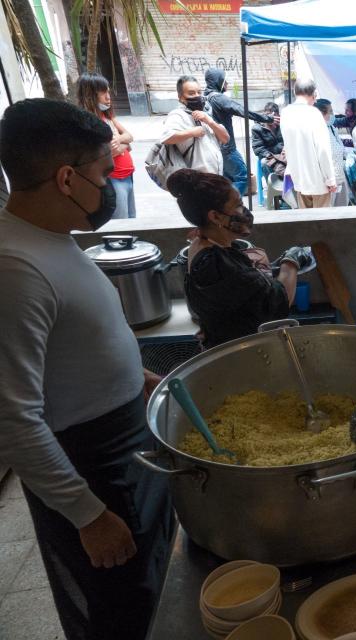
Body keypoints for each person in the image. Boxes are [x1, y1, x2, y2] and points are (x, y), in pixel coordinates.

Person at [0, 98, 173, 639]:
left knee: (153, 585)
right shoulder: (15, 269)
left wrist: (131, 378)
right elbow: (14, 418)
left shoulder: (51, 238)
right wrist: (88, 515)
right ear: (67, 177)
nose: (111, 187)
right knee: (118, 609)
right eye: (104, 173)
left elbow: (77, 340)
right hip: (88, 465)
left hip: (123, 438)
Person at [170, 169, 309, 349]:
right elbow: (277, 304)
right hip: (241, 353)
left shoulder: (200, 243)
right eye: (237, 205)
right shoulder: (219, 265)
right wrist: (291, 262)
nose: (244, 211)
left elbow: (237, 295)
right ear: (215, 216)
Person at [202, 69, 276, 195]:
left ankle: (226, 207)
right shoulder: (219, 98)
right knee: (243, 178)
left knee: (226, 182)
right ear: (218, 81)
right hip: (227, 149)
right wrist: (267, 118)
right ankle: (230, 205)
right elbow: (242, 110)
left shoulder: (206, 97)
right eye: (225, 81)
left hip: (215, 148)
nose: (227, 84)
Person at [77, 72, 136, 219]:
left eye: (108, 91)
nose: (108, 96)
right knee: (121, 226)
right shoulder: (88, 122)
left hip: (127, 176)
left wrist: (121, 141)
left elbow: (130, 136)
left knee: (131, 221)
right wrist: (124, 145)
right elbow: (110, 152)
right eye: (103, 92)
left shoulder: (107, 116)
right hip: (112, 179)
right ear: (90, 94)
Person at [280, 79, 338, 208]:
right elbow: (323, 150)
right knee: (322, 224)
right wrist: (330, 179)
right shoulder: (314, 114)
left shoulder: (285, 113)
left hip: (299, 181)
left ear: (295, 92)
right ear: (314, 94)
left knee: (306, 223)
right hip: (318, 182)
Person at [161, 75, 229, 177]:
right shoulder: (177, 115)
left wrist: (210, 122)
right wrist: (192, 132)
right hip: (196, 180)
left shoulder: (204, 114)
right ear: (181, 98)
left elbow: (225, 138)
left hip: (214, 177)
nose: (197, 96)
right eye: (191, 93)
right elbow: (167, 138)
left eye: (199, 92)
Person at [316, 98, 349, 207]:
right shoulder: (317, 132)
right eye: (330, 112)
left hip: (340, 177)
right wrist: (329, 181)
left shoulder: (331, 128)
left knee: (342, 210)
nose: (332, 115)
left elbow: (341, 150)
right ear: (321, 114)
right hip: (328, 183)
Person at [252, 102, 285, 178]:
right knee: (264, 162)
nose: (271, 117)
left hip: (283, 155)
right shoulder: (257, 128)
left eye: (274, 115)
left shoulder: (283, 125)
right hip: (269, 156)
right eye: (268, 115)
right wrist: (273, 156)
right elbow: (258, 149)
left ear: (278, 116)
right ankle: (272, 186)